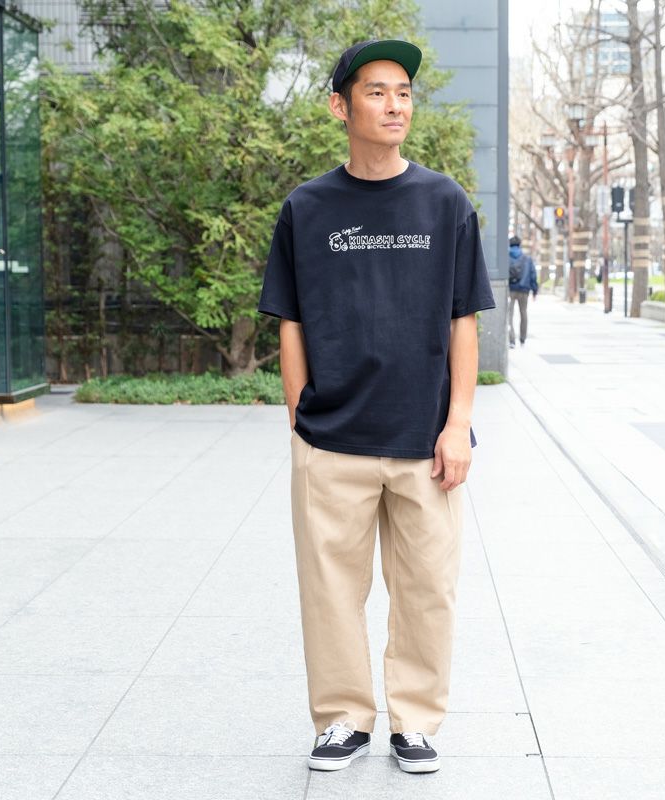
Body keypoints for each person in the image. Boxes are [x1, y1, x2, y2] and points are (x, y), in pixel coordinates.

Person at [257, 39, 495, 774]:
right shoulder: (307, 208)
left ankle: (415, 723)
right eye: (377, 92)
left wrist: (458, 424)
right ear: (340, 105)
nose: (395, 105)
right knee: (329, 590)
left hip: (426, 440)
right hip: (332, 440)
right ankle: (342, 720)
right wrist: (300, 420)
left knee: (428, 590)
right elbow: (290, 321)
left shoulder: (445, 202)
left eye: (404, 93)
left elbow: (462, 320)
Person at [507, 235, 538, 348]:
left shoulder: (506, 258)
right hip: (524, 290)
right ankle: (522, 339)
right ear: (519, 245)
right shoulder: (527, 259)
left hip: (510, 290)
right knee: (523, 313)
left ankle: (511, 340)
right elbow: (533, 275)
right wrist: (535, 290)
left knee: (509, 315)